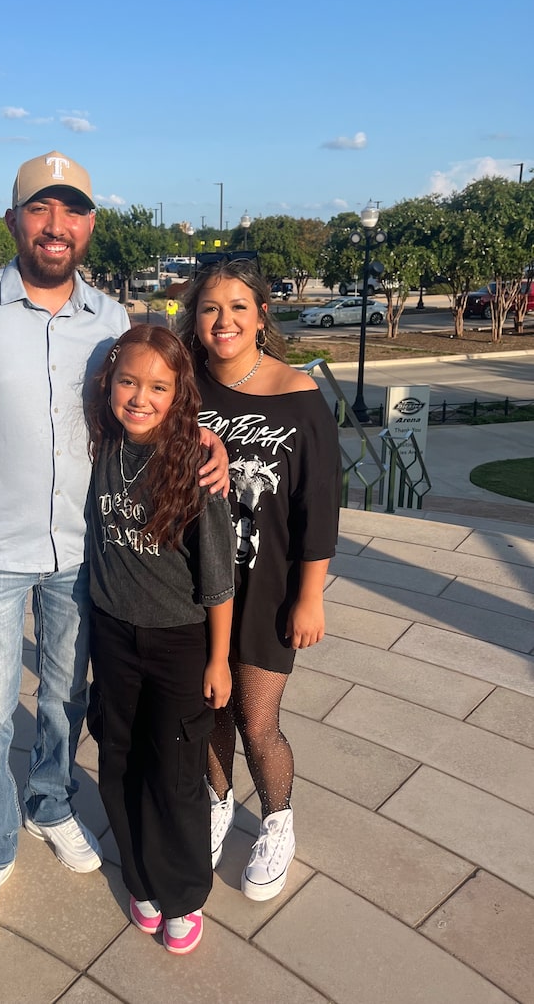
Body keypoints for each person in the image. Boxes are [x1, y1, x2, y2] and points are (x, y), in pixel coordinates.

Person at [0, 150, 229, 939]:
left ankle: (50, 800)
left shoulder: (111, 321)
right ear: (15, 221)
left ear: (88, 225)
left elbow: (161, 390)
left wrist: (205, 437)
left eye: (71, 210)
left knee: (66, 703)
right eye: (39, 209)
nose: (56, 225)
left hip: (86, 554)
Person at [178, 257, 340, 903]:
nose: (224, 320)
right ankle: (218, 802)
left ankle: (277, 819)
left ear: (261, 315)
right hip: (194, 580)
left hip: (269, 583)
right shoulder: (184, 386)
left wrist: (310, 594)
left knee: (257, 716)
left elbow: (320, 504)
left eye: (238, 307)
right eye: (211, 307)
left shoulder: (297, 393)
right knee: (208, 703)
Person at [85, 325, 235, 956]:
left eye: (157, 387)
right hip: (113, 634)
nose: (139, 398)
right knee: (119, 758)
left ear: (180, 394)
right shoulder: (100, 447)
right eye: (127, 382)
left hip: (180, 642)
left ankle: (182, 893)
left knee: (174, 771)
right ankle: (140, 877)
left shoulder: (197, 464)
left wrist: (220, 659)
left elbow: (218, 576)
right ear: (109, 384)